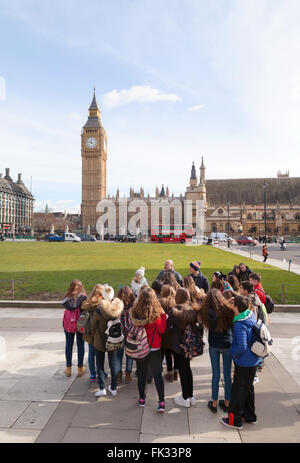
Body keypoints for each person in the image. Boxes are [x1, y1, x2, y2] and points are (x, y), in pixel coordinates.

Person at [221, 296, 259, 430]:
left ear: (237, 308)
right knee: (248, 388)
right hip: (253, 360)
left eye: (233, 305)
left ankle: (234, 420)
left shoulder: (239, 324)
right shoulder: (250, 315)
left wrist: (232, 352)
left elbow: (242, 346)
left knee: (237, 390)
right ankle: (249, 416)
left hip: (244, 362)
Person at [129, 287, 167, 412]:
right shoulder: (157, 314)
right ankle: (161, 402)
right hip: (154, 347)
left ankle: (141, 398)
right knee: (157, 375)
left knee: (142, 373)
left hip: (140, 347)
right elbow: (161, 330)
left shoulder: (136, 313)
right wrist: (163, 316)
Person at [200, 289, 234, 414]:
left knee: (215, 374)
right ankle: (227, 402)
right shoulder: (228, 310)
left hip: (214, 344)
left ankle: (214, 403)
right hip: (227, 344)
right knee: (227, 375)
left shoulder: (206, 311)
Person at [168, 288, 200, 408]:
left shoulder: (175, 312)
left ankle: (185, 397)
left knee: (183, 370)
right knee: (187, 368)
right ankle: (190, 396)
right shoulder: (192, 310)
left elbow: (170, 328)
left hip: (179, 345)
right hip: (189, 344)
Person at [89, 285, 124, 397]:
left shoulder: (99, 309)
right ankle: (113, 388)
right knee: (113, 364)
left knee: (99, 364)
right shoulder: (118, 308)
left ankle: (102, 388)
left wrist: (93, 335)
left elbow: (93, 326)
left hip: (100, 340)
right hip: (113, 339)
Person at [62, 280, 87, 378]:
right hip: (80, 324)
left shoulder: (67, 297)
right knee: (80, 345)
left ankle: (68, 369)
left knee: (69, 344)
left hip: (68, 323)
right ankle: (80, 369)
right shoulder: (83, 297)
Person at [116, 286, 136, 384]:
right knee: (130, 355)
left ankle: (119, 375)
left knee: (118, 356)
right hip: (130, 334)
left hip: (119, 334)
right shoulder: (133, 306)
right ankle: (128, 375)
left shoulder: (117, 306)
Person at [160, 285, 178, 382]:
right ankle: (175, 372)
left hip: (164, 332)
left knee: (167, 353)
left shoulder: (161, 302)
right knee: (174, 352)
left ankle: (170, 373)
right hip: (174, 331)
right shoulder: (176, 302)